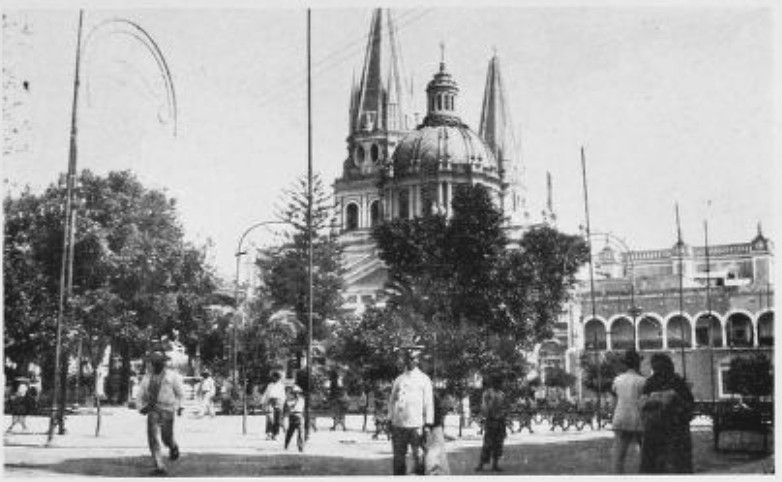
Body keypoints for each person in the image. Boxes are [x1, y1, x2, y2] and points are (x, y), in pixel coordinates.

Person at [639, 352, 694, 474]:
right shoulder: (678, 382)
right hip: (675, 433)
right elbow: (689, 408)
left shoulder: (650, 383)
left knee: (654, 467)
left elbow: (642, 408)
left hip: (656, 432)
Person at [136, 351, 185, 476]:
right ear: (152, 363)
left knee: (166, 438)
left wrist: (180, 407)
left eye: (159, 362)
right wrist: (140, 407)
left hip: (168, 410)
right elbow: (140, 394)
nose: (156, 364)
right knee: (153, 438)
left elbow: (180, 394)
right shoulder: (147, 377)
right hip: (153, 410)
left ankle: (173, 446)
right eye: (154, 362)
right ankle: (159, 465)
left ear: (163, 363)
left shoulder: (172, 376)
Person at [388, 345, 434, 476]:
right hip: (398, 424)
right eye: (407, 358)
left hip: (416, 425)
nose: (409, 361)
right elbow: (392, 401)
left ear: (417, 360)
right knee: (398, 459)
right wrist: (389, 419)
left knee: (419, 457)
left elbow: (428, 403)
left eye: (412, 358)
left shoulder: (424, 379)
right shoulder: (399, 379)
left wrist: (428, 425)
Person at [610, 350, 646, 473]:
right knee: (644, 453)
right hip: (638, 419)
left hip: (620, 418)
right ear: (637, 364)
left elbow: (614, 402)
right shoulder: (643, 381)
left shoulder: (617, 380)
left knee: (619, 455)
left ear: (625, 364)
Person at [475, 374, 507, 472]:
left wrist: (504, 417)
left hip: (500, 421)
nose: (499, 384)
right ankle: (481, 465)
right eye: (497, 382)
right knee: (488, 444)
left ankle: (495, 465)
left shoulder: (502, 394)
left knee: (498, 443)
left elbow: (504, 407)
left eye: (499, 382)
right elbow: (484, 407)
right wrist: (486, 417)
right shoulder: (488, 393)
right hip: (491, 420)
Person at [424, 389, 451, 475]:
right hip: (435, 426)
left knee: (432, 452)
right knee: (437, 452)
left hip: (431, 426)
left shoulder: (428, 395)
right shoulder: (433, 395)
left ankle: (434, 472)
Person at [260, 371, 286, 440]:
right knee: (269, 418)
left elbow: (283, 395)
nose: (275, 379)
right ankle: (269, 433)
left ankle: (275, 434)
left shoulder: (281, 386)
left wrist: (282, 404)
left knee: (277, 418)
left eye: (277, 378)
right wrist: (262, 402)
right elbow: (266, 393)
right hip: (270, 401)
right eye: (274, 377)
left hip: (278, 401)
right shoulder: (270, 385)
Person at [283, 385, 305, 452]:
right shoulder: (290, 400)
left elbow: (301, 408)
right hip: (292, 416)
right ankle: (286, 445)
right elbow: (289, 406)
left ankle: (300, 447)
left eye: (298, 393)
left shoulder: (301, 399)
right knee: (290, 432)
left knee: (300, 432)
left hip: (299, 415)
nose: (296, 394)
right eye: (295, 393)